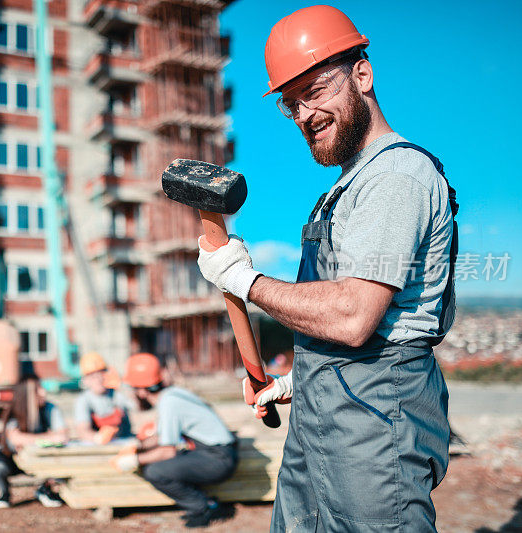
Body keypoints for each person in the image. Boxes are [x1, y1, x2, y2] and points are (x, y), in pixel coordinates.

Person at [196, 5, 458, 531]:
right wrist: (301, 379)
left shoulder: (396, 176)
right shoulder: (342, 190)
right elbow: (348, 321)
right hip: (328, 409)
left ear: (362, 74)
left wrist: (241, 279)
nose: (304, 114)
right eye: (291, 105)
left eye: (315, 91)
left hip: (376, 420)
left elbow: (354, 317)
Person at [113, 353, 238, 528]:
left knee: (155, 471)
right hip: (215, 453)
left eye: (133, 388)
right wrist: (137, 445)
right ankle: (204, 504)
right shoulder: (172, 395)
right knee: (159, 465)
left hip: (218, 458)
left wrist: (135, 460)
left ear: (141, 390)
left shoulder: (169, 402)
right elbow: (162, 436)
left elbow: (167, 450)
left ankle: (204, 507)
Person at [0, 374, 68, 509]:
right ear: (27, 394)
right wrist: (48, 436)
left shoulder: (50, 408)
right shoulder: (15, 411)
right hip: (14, 459)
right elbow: (15, 438)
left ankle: (45, 489)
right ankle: (4, 493)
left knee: (61, 460)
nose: (43, 392)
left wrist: (29, 439)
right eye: (38, 388)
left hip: (40, 457)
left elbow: (63, 435)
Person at [74, 352, 133, 444]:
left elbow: (139, 408)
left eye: (101, 374)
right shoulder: (84, 400)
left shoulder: (117, 395)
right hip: (97, 448)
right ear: (86, 380)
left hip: (122, 443)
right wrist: (98, 438)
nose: (98, 379)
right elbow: (82, 430)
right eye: (93, 376)